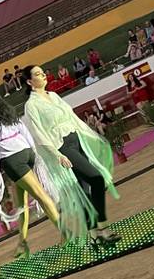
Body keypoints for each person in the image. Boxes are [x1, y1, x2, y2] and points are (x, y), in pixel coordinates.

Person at [23, 64, 120, 244]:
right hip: (62, 146)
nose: (43, 75)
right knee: (97, 179)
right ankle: (103, 228)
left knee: (84, 189)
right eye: (38, 74)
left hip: (76, 140)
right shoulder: (31, 105)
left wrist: (91, 135)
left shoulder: (53, 95)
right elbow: (38, 133)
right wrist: (57, 154)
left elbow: (73, 117)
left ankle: (94, 235)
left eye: (43, 72)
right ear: (29, 82)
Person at [0, 86, 59, 258]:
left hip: (13, 160)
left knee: (41, 196)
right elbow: (25, 131)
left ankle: (67, 234)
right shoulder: (8, 111)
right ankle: (22, 244)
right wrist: (33, 155)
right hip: (26, 153)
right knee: (21, 204)